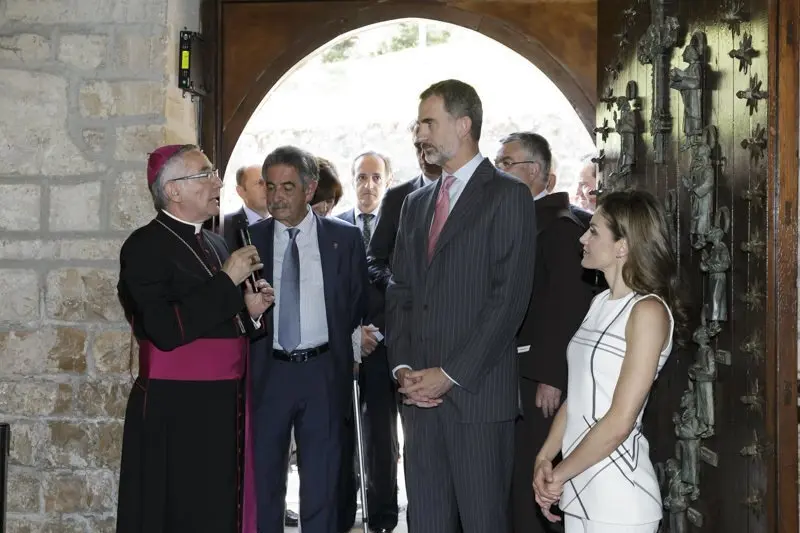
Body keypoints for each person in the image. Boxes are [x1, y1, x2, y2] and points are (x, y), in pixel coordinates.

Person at [386, 79, 536, 533]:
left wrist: (448, 376)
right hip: (420, 402)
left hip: (477, 399)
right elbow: (400, 292)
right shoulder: (415, 203)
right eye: (418, 125)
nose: (419, 135)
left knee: (483, 523)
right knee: (426, 523)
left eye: (429, 123)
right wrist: (404, 368)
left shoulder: (508, 196)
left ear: (464, 124)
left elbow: (507, 302)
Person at [116, 144, 274, 533]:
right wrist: (226, 281)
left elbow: (217, 320)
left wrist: (249, 313)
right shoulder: (143, 246)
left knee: (219, 510)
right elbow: (164, 331)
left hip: (224, 406)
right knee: (180, 511)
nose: (217, 182)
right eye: (205, 174)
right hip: (176, 412)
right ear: (173, 190)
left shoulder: (216, 243)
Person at [533, 190, 688, 533]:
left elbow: (620, 419)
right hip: (578, 487)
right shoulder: (600, 302)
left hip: (619, 496)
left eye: (594, 230)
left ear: (623, 246)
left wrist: (558, 473)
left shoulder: (648, 311)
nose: (582, 237)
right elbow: (579, 397)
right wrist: (545, 457)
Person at [248, 145, 368, 533]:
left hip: (322, 373)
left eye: (287, 187)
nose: (276, 197)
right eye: (270, 187)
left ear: (310, 188)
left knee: (323, 482)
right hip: (269, 373)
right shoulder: (248, 239)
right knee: (264, 481)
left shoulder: (344, 239)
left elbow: (356, 300)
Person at [495, 132, 594, 533]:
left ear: (534, 171)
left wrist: (551, 376)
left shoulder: (559, 225)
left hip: (538, 377)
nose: (497, 171)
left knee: (539, 476)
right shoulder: (524, 218)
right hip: (517, 371)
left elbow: (567, 305)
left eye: (506, 164)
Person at [336, 150, 397, 533]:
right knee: (357, 434)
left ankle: (389, 514)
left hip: (391, 344)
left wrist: (380, 332)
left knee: (389, 437)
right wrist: (352, 336)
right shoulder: (337, 227)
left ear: (387, 182)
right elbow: (333, 291)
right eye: (361, 177)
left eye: (375, 177)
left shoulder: (402, 225)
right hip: (351, 347)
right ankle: (360, 511)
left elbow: (406, 288)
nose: (368, 185)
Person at [367, 126, 441, 292]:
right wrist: (395, 288)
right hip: (407, 310)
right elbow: (374, 261)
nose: (423, 154)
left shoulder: (467, 193)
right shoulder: (395, 198)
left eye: (428, 146)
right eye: (418, 147)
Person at [223, 164, 269, 250]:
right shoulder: (223, 226)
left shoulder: (285, 224)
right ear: (241, 192)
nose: (268, 188)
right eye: (260, 183)